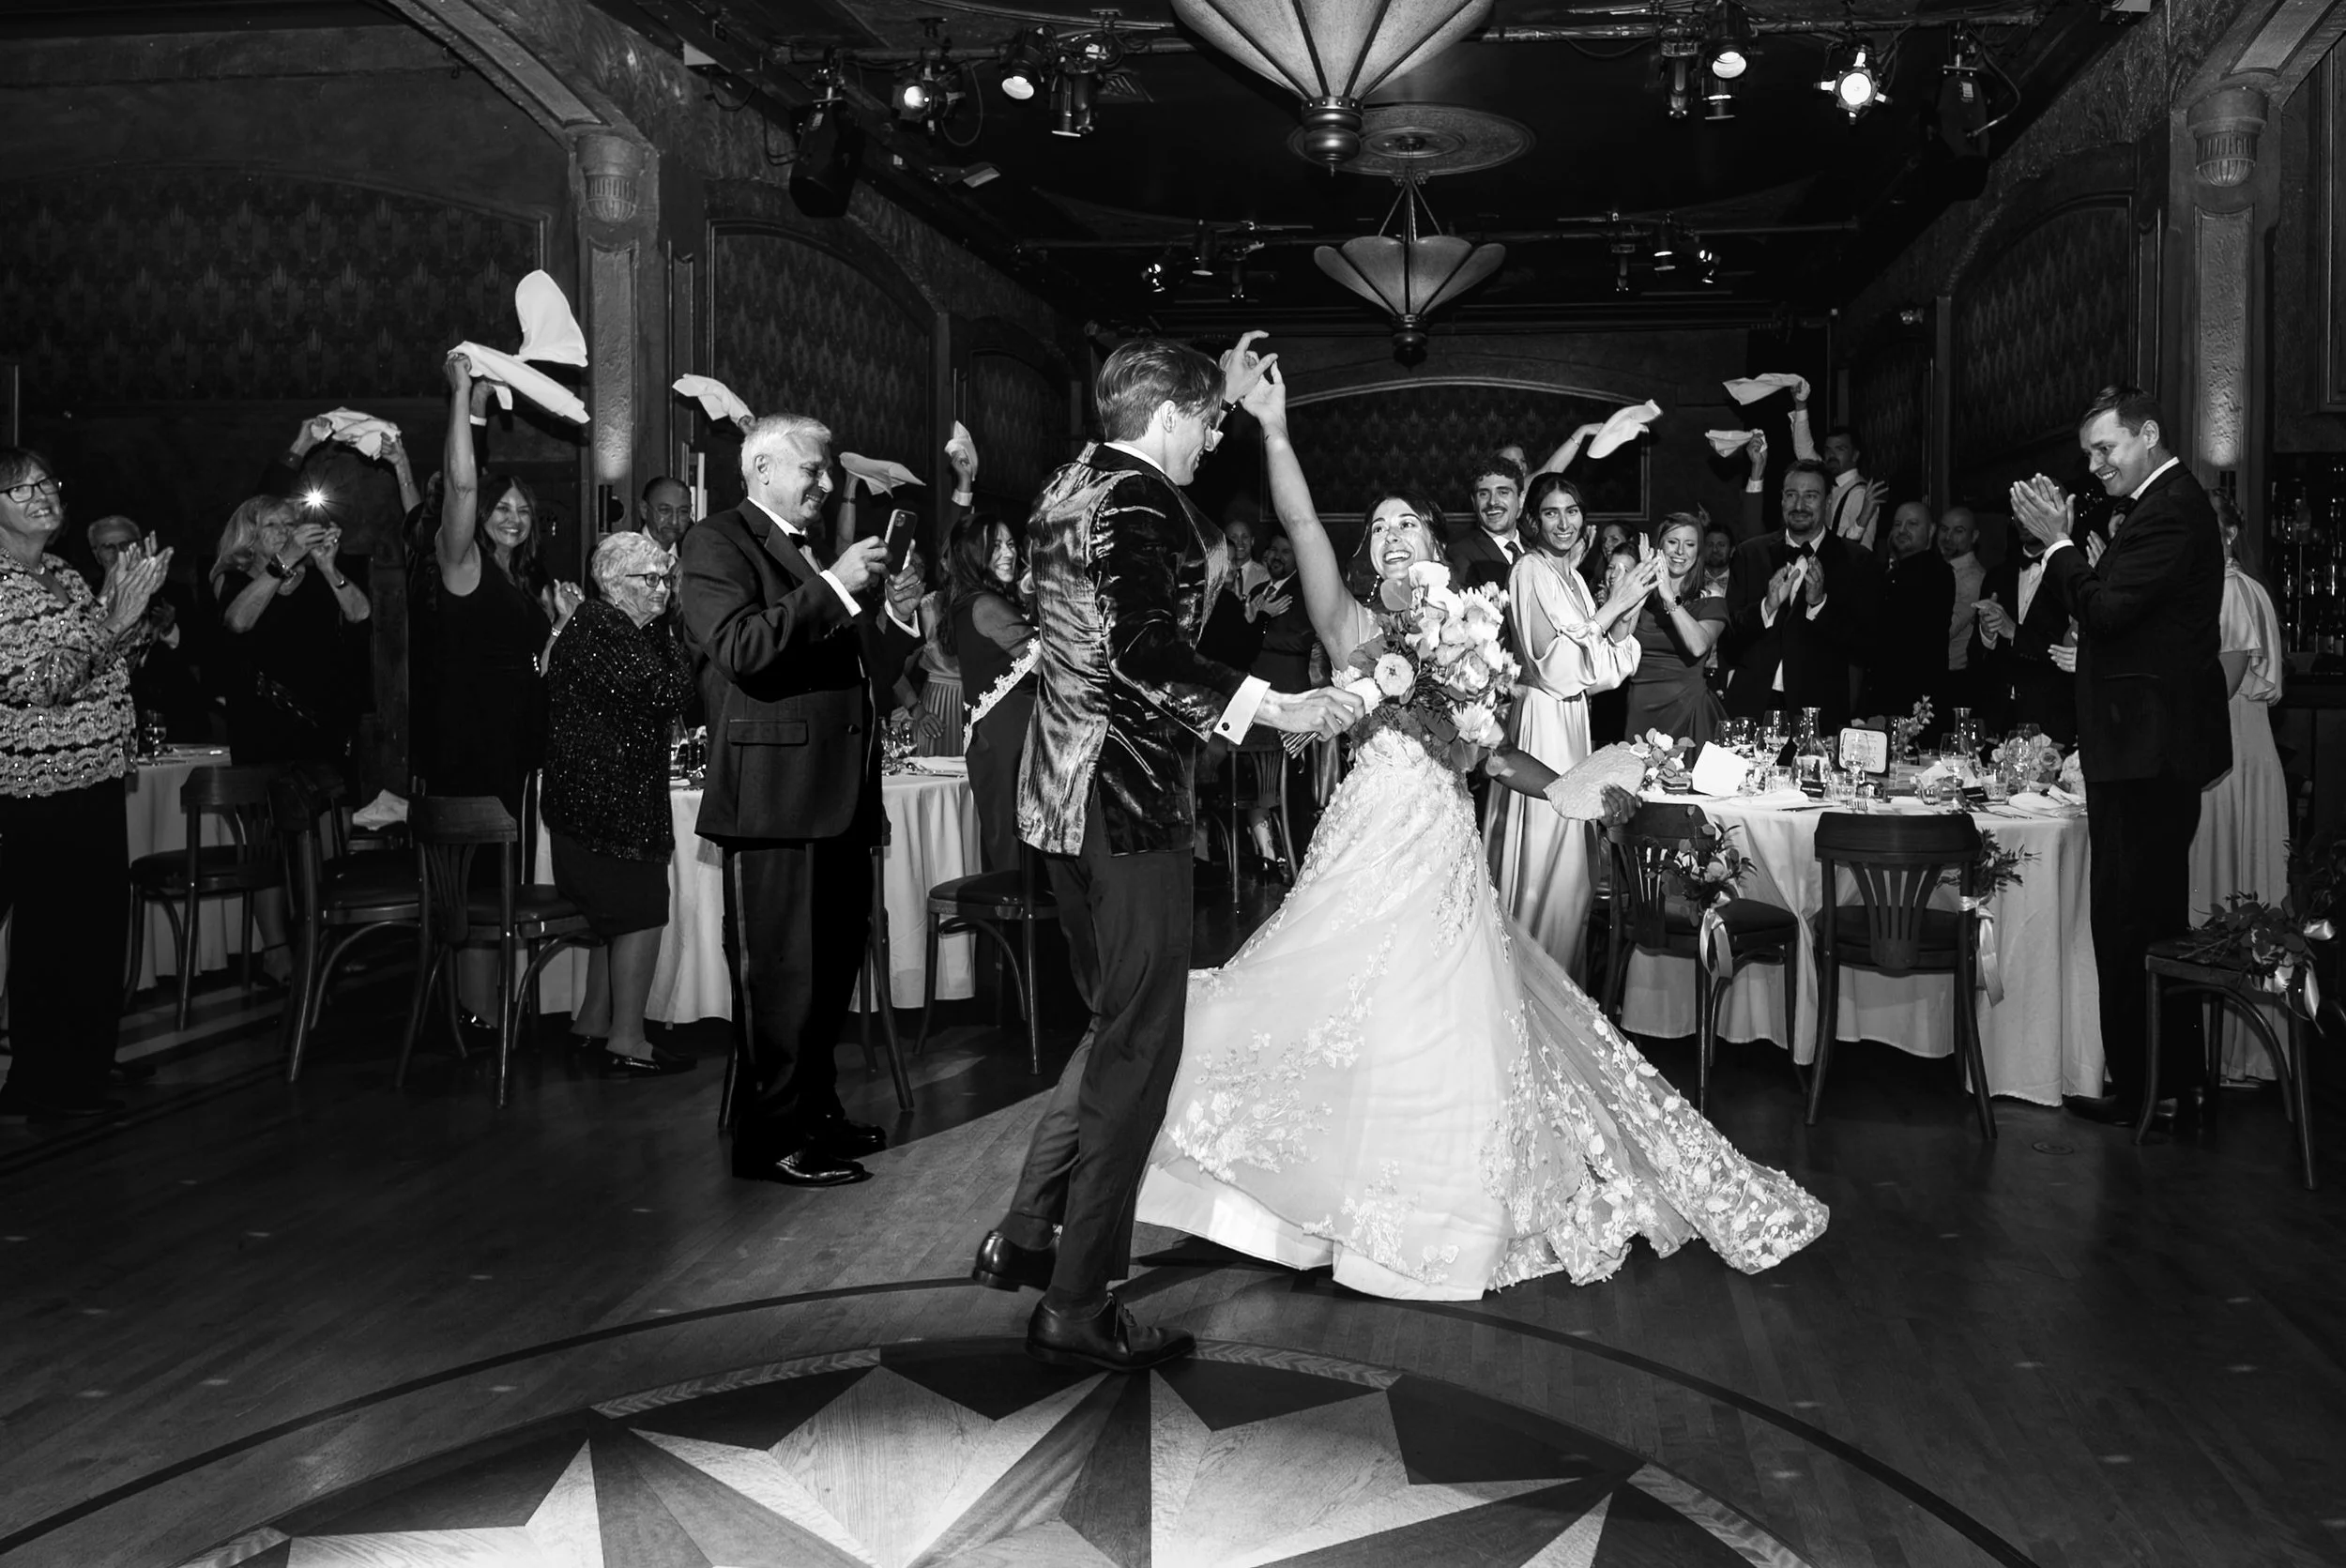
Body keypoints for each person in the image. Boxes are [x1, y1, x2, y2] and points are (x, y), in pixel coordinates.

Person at [1133, 362, 1826, 1301]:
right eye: (1372, 528)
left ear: (1432, 543)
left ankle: (1428, 1207)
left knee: (1438, 1021)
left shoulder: (1471, 634)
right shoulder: (1349, 630)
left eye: (1402, 524)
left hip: (1444, 850)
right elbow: (1300, 525)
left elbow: (1494, 755)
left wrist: (1570, 782)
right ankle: (1299, 1210)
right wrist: (1278, 431)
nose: (1386, 536)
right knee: (1329, 1006)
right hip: (1366, 843)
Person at [971, 334, 1362, 1374]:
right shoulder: (1142, 502)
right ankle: (1078, 1302)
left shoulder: (1068, 484)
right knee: (1141, 1053)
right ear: (1170, 418)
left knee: (1111, 1028)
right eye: (1203, 425)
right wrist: (1275, 704)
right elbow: (1145, 649)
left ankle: (1026, 1234)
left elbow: (1097, 634)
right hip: (1129, 805)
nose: (1208, 447)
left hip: (1057, 802)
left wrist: (1228, 393)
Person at [679, 410, 924, 1188]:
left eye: (823, 472)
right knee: (781, 978)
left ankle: (816, 1114)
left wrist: (893, 612)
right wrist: (832, 586)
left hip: (839, 795)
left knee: (826, 972)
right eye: (812, 470)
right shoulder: (716, 542)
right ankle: (771, 1139)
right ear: (760, 470)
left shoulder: (811, 556)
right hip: (774, 797)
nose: (825, 484)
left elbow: (863, 677)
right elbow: (746, 650)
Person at [2010, 385, 2230, 1129]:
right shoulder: (2159, 507)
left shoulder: (2171, 509)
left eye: (2107, 448)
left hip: (2147, 753)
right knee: (2150, 922)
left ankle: (2145, 1089)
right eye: (2090, 454)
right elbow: (2124, 620)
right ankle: (2165, 1083)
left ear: (2150, 435)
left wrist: (2060, 546)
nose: (2097, 464)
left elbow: (2103, 609)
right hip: (2143, 748)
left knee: (2131, 923)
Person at [0, 449, 169, 1118]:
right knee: (51, 936)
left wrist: (130, 611)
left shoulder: (65, 573)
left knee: (98, 929)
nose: (41, 496)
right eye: (19, 490)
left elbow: (99, 664)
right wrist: (111, 617)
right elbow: (37, 684)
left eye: (46, 483)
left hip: (98, 774)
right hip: (34, 786)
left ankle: (88, 1066)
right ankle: (40, 1083)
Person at [428, 355, 582, 1032]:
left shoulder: (523, 583)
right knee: (480, 884)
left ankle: (495, 1012)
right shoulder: (460, 567)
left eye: (523, 509)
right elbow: (460, 487)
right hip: (472, 745)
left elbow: (531, 666)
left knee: (505, 879)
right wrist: (463, 396)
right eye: (502, 507)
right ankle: (475, 1015)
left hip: (518, 741)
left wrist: (559, 635)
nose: (513, 517)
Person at [543, 531, 697, 1076]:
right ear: (614, 584)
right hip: (606, 808)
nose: (661, 590)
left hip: (597, 806)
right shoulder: (604, 629)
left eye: (664, 579)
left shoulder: (608, 627)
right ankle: (628, 1040)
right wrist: (671, 639)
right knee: (639, 916)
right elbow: (672, 693)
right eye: (648, 579)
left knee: (618, 919)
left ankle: (593, 1024)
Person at [1487, 473, 1651, 979]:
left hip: (1574, 719)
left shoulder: (1576, 580)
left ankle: (1566, 995)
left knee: (1575, 871)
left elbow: (1600, 671)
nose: (1564, 522)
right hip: (1541, 720)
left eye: (1572, 511)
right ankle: (1527, 989)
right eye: (1552, 512)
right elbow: (1554, 666)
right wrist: (1613, 608)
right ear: (1534, 520)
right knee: (1544, 857)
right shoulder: (1528, 571)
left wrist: (1630, 605)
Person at [2188, 497, 2289, 1083]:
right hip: (2235, 757)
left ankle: (2229, 1053)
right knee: (2226, 885)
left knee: (2223, 885)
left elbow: (2214, 689)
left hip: (2227, 762)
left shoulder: (2229, 590)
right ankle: (2226, 1050)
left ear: (2227, 534)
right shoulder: (2233, 587)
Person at [1716, 459, 1882, 732]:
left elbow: (1865, 646)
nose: (1799, 505)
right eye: (1791, 495)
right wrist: (1765, 607)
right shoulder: (1750, 554)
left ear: (1828, 502)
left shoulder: (1857, 562)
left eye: (1811, 496)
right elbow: (1729, 638)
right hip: (1751, 708)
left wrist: (1820, 605)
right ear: (1781, 500)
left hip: (1817, 713)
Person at [947, 510, 1035, 873]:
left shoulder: (981, 602)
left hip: (1009, 746)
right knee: (1014, 859)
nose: (1008, 552)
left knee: (1013, 852)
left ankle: (1016, 927)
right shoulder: (985, 606)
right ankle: (1016, 929)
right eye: (994, 545)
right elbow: (1049, 661)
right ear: (973, 554)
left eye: (1011, 544)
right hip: (1006, 751)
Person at [1622, 511, 1729, 746]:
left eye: (1689, 544)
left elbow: (1698, 645)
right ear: (1658, 547)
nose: (1680, 552)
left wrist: (1669, 595)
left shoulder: (1711, 598)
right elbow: (1620, 644)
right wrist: (1642, 585)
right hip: (1640, 708)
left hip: (1689, 710)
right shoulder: (1639, 594)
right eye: (1672, 542)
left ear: (1698, 552)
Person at [1970, 517, 2079, 746]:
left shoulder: (2076, 574)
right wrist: (1987, 633)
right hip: (1997, 721)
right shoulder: (1997, 574)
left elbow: (2076, 651)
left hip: (2051, 721)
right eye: (2019, 512)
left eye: (2033, 509)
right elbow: (1974, 655)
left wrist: (2014, 633)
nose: (2024, 519)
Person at [1863, 501, 1955, 724]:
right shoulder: (1893, 573)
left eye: (1912, 524)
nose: (1902, 530)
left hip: (1914, 707)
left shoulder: (1935, 573)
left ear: (1931, 531)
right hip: (1884, 698)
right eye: (1897, 524)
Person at [1789, 388, 1884, 551]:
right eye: (1827, 450)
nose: (1831, 455)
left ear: (1855, 455)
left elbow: (1863, 550)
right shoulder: (1825, 479)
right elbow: (1804, 450)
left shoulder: (1860, 494)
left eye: (1840, 449)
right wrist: (1801, 405)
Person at [1446, 452, 1529, 595]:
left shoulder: (1536, 551)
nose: (1492, 502)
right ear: (1474, 502)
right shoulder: (1459, 553)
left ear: (1521, 499)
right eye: (1484, 494)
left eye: (1503, 492)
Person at [1938, 507, 1988, 715]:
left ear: (1974, 536)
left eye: (1958, 531)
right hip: (1940, 676)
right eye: (1944, 529)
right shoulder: (1938, 569)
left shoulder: (1972, 579)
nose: (1948, 537)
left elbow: (1943, 632)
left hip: (1953, 681)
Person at [637, 476, 693, 551]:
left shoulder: (697, 555)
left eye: (683, 512)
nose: (674, 522)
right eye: (665, 510)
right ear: (644, 510)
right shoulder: (623, 553)